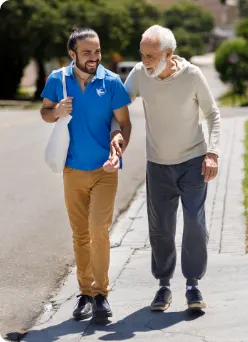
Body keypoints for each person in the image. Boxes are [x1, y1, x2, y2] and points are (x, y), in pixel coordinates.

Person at [111, 25, 220, 312]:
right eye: (142, 54)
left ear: (168, 54)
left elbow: (213, 115)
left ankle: (193, 284)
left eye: (151, 55)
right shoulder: (139, 75)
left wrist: (213, 154)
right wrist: (115, 133)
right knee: (161, 227)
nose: (145, 61)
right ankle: (163, 285)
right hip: (158, 164)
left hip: (194, 161)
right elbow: (117, 108)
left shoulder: (192, 76)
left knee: (195, 222)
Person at [40, 27, 131, 321]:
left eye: (97, 51)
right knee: (80, 235)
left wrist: (119, 147)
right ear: (73, 54)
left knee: (98, 231)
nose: (94, 57)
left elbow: (124, 123)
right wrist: (56, 111)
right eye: (87, 52)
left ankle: (101, 294)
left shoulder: (112, 81)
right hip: (72, 169)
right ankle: (85, 293)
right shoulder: (58, 80)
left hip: (105, 169)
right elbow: (44, 112)